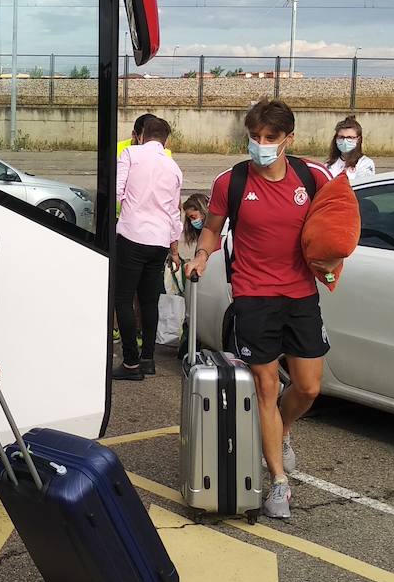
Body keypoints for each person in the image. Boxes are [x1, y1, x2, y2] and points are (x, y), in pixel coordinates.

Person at [184, 99, 337, 520]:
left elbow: (336, 224)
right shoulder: (230, 181)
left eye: (270, 138)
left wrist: (332, 259)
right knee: (266, 387)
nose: (261, 144)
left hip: (301, 294)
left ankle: (282, 430)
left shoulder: (314, 176)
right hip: (252, 295)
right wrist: (201, 256)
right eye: (255, 137)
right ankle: (278, 484)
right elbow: (213, 228)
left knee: (307, 387)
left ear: (289, 138)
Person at [113, 116, 182, 381]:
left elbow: (117, 193)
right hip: (160, 242)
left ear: (141, 135)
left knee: (123, 299)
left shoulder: (131, 154)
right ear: (166, 140)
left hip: (132, 235)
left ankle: (130, 363)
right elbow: (174, 212)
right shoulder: (174, 167)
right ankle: (148, 359)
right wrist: (174, 251)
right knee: (149, 300)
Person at [325, 116, 376, 184]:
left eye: (350, 137)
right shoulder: (329, 164)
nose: (345, 141)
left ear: (358, 139)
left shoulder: (365, 164)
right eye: (341, 137)